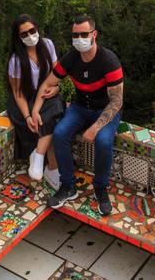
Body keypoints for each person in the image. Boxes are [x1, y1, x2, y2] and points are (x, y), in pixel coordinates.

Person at [30, 15, 123, 216]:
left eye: (83, 34)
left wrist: (96, 127)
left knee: (104, 141)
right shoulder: (71, 59)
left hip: (105, 110)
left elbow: (117, 101)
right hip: (80, 107)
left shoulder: (108, 60)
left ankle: (100, 188)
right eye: (75, 35)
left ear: (94, 34)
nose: (79, 38)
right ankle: (68, 186)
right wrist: (36, 110)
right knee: (60, 133)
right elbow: (48, 83)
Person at [6, 14, 65, 189]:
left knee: (53, 108)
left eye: (32, 31)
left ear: (37, 28)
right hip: (25, 99)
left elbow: (57, 74)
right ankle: (51, 168)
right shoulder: (16, 60)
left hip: (46, 94)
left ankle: (38, 155)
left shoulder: (47, 45)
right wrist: (27, 116)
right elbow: (17, 93)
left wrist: (57, 87)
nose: (30, 36)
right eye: (24, 34)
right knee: (47, 119)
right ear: (18, 37)